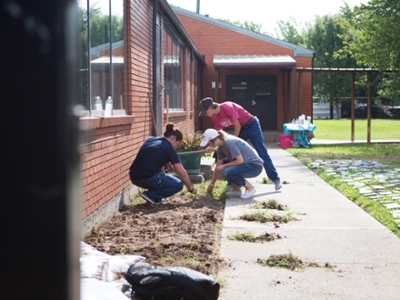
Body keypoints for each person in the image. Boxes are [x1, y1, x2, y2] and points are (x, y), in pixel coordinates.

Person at [198, 97, 282, 190]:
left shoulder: (227, 106)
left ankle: (276, 179)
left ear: (210, 108)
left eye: (205, 112)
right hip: (241, 129)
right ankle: (232, 182)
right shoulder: (214, 117)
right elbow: (217, 136)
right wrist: (211, 146)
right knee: (229, 152)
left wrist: (232, 142)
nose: (205, 115)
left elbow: (237, 125)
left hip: (251, 125)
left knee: (262, 152)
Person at [129, 123, 197, 205]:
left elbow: (152, 153)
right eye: (177, 144)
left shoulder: (150, 139)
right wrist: (191, 188)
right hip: (146, 178)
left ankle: (152, 194)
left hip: (133, 176)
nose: (175, 148)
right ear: (173, 138)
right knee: (178, 185)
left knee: (158, 172)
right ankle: (151, 195)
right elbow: (182, 173)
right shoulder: (170, 150)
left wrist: (167, 161)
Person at [200, 129, 263, 200]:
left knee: (227, 172)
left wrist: (223, 166)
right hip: (247, 165)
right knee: (225, 165)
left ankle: (250, 188)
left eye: (208, 144)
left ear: (214, 139)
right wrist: (211, 185)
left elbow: (240, 161)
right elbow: (218, 168)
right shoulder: (221, 148)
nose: (208, 146)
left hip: (255, 166)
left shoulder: (229, 142)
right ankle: (236, 190)